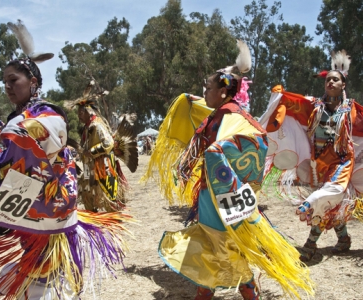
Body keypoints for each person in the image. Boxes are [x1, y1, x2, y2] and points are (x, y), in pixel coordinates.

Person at [0, 20, 131, 299]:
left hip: (51, 202)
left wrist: (19, 129)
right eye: (4, 81)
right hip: (32, 201)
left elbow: (51, 129)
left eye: (13, 80)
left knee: (44, 270)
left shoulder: (44, 111)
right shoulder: (21, 114)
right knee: (36, 263)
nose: (7, 86)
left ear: (34, 82)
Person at [144, 41, 314, 299]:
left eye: (209, 88)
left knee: (222, 247)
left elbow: (252, 145)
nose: (205, 92)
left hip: (222, 199)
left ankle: (232, 290)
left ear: (223, 92)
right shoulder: (220, 115)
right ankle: (219, 290)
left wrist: (217, 159)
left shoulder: (235, 119)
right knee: (217, 247)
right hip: (214, 197)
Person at [259, 50, 362, 262]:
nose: (330, 82)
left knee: (320, 199)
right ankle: (343, 240)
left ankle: (310, 245)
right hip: (320, 164)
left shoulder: (352, 110)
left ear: (343, 85)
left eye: (335, 80)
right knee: (330, 203)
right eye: (328, 80)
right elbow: (289, 103)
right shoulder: (314, 107)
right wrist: (279, 95)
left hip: (343, 162)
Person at [67, 80, 138, 212]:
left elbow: (108, 143)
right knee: (87, 193)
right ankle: (94, 217)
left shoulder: (97, 125)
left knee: (108, 197)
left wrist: (91, 152)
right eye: (78, 113)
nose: (79, 116)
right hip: (90, 167)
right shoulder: (87, 127)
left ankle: (112, 217)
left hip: (102, 167)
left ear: (88, 111)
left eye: (81, 113)